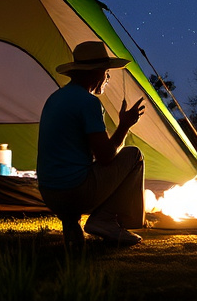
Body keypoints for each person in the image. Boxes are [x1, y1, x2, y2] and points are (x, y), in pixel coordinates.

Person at [36, 40, 148, 248]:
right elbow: (105, 156)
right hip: (74, 191)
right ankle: (106, 220)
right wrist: (124, 126)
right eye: (106, 72)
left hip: (49, 192)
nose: (108, 77)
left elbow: (84, 153)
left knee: (79, 168)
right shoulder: (88, 102)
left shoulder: (55, 98)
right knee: (134, 155)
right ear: (97, 72)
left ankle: (71, 224)